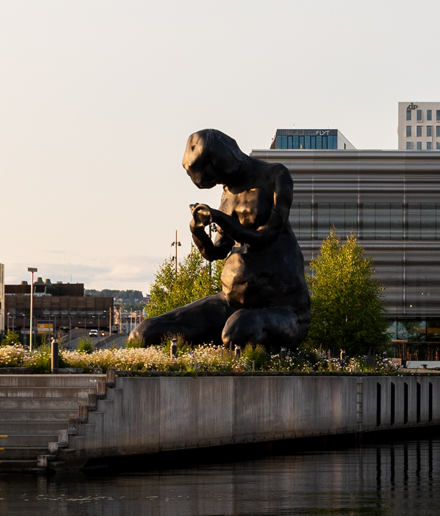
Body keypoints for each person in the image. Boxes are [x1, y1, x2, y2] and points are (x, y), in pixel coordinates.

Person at [131, 129, 312, 352]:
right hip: (230, 303)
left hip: (282, 309)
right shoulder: (227, 193)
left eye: (216, 177)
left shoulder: (275, 175)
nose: (219, 183)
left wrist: (220, 218)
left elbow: (266, 235)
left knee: (239, 331)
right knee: (143, 334)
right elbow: (215, 252)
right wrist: (197, 230)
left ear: (224, 161)